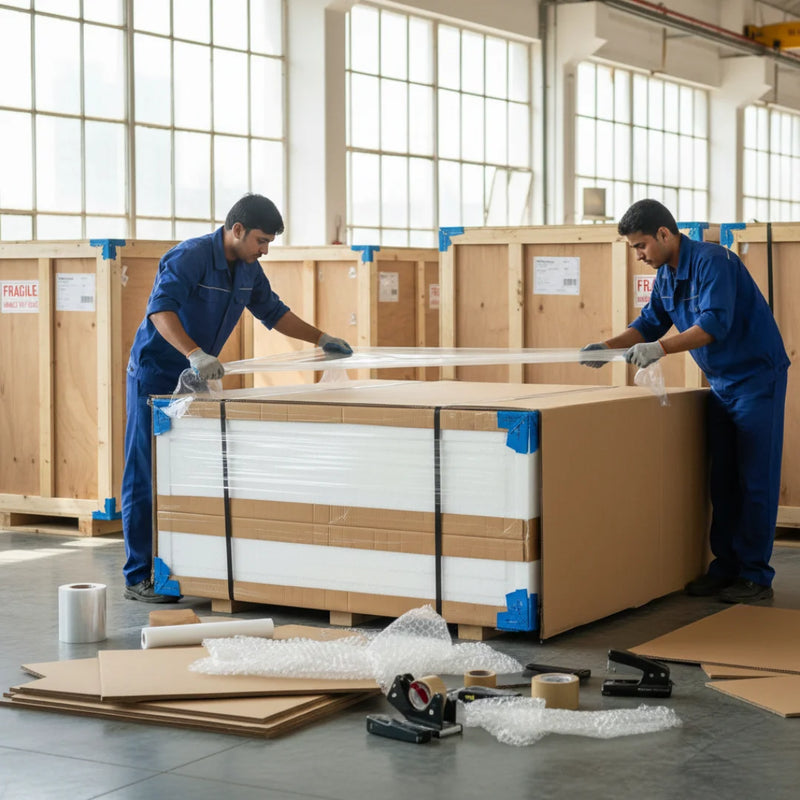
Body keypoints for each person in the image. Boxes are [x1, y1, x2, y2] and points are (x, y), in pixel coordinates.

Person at [122, 193, 353, 602]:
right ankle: (138, 574)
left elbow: (274, 312)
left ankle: (185, 563)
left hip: (198, 378)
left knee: (193, 472)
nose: (263, 251)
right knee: (145, 472)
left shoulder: (248, 269)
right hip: (156, 373)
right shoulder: (189, 257)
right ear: (238, 230)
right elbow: (161, 311)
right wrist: (193, 353)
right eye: (261, 241)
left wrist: (321, 338)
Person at [581, 199, 789, 604]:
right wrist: (606, 347)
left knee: (755, 479)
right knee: (723, 478)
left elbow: (714, 323)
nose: (639, 256)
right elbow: (648, 324)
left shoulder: (715, 262)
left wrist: (659, 349)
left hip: (756, 379)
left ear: (664, 233)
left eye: (640, 246)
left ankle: (755, 575)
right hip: (722, 383)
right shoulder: (667, 275)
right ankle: (725, 567)